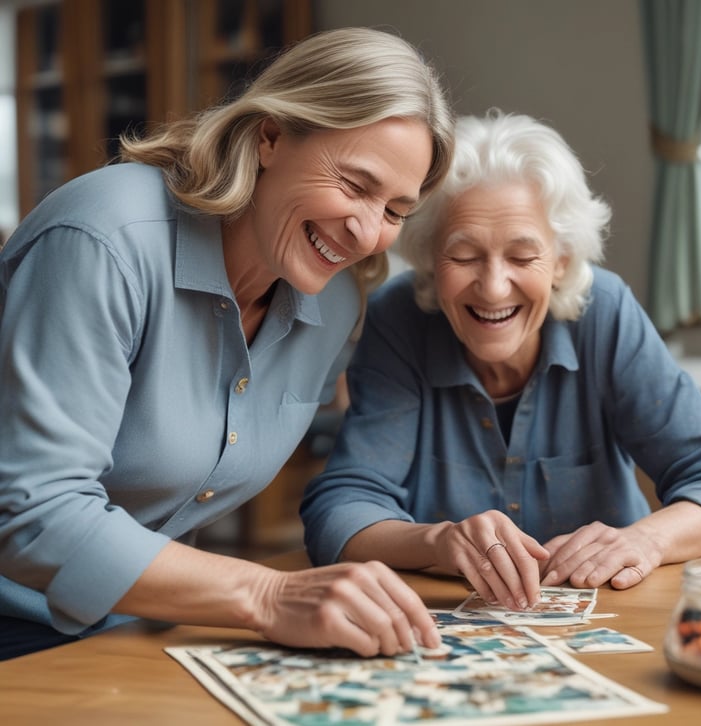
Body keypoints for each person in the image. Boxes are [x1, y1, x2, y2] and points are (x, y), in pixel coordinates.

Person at [0, 27, 454, 660]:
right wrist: (268, 594)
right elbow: (34, 514)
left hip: (132, 628)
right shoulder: (105, 238)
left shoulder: (335, 301)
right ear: (270, 137)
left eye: (396, 211)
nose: (366, 231)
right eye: (355, 185)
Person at [300, 109, 701, 614]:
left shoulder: (605, 313)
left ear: (561, 260)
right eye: (464, 256)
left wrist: (646, 540)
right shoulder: (399, 318)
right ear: (430, 259)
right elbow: (339, 511)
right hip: (445, 624)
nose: (493, 287)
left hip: (617, 614)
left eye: (522, 258)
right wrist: (437, 541)